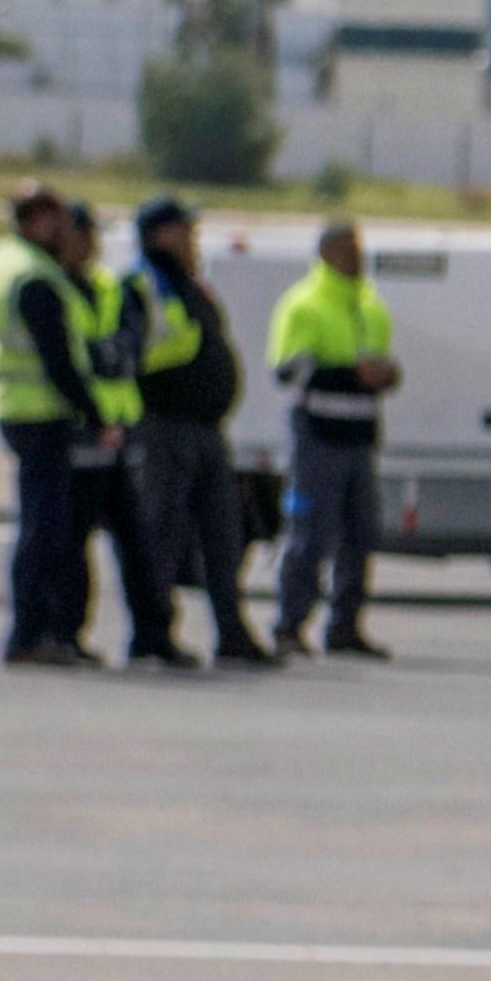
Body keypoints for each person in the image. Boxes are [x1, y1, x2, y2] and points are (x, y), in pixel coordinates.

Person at [0, 185, 155, 671]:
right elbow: (58, 360)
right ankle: (31, 633)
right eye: (56, 221)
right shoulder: (37, 277)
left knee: (44, 530)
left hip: (22, 409)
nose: (66, 232)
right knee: (45, 532)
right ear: (38, 221)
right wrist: (93, 414)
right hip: (42, 415)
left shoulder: (7, 262)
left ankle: (38, 632)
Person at [122, 201, 262, 674]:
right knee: (163, 532)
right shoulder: (143, 286)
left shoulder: (186, 283)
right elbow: (139, 353)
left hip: (204, 428)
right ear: (159, 234)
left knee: (225, 534)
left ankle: (233, 633)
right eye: (183, 229)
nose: (192, 236)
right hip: (166, 424)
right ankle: (155, 632)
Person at [268, 218, 400, 663]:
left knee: (361, 536)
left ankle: (344, 628)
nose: (356, 257)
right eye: (347, 249)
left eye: (359, 248)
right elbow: (288, 370)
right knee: (310, 537)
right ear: (326, 253)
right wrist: (352, 375)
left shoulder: (370, 305)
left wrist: (386, 375)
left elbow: (379, 363)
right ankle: (289, 625)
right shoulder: (305, 304)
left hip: (360, 438)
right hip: (318, 437)